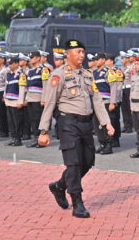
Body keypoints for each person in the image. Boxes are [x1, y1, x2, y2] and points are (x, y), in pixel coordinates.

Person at [39, 39, 114, 218]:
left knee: (87, 161)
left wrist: (106, 122)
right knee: (73, 163)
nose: (82, 55)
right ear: (68, 54)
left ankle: (59, 186)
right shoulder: (58, 75)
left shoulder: (88, 75)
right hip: (68, 124)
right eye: (78, 52)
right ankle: (77, 202)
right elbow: (49, 103)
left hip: (86, 124)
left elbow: (96, 100)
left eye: (83, 52)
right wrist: (44, 131)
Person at [23, 51, 45, 148]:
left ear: (38, 58)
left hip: (39, 98)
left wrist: (43, 99)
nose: (30, 59)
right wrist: (26, 98)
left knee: (39, 120)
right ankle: (35, 139)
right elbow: (28, 86)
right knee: (32, 120)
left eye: (32, 57)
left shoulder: (43, 70)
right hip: (31, 99)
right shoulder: (30, 71)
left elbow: (46, 85)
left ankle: (41, 140)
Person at [4, 56, 26, 147]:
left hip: (16, 101)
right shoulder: (9, 74)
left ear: (16, 64)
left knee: (17, 122)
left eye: (11, 64)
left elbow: (22, 89)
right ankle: (13, 138)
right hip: (9, 101)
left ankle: (18, 139)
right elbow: (6, 86)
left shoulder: (21, 74)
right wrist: (5, 98)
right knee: (11, 121)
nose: (9, 65)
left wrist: (20, 101)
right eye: (8, 64)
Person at [120, 52, 134, 134]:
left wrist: (132, 93)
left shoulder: (132, 68)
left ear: (127, 59)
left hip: (129, 89)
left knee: (129, 108)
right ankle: (126, 125)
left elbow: (133, 80)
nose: (122, 60)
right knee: (124, 108)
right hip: (123, 88)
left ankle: (130, 126)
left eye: (123, 58)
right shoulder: (121, 68)